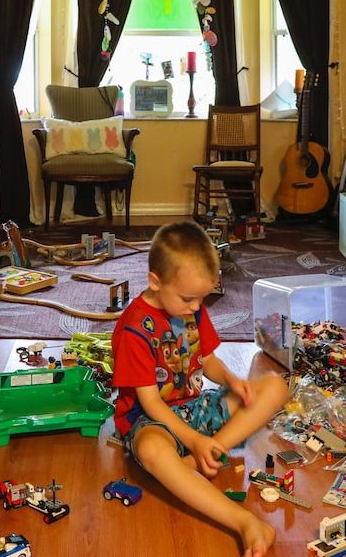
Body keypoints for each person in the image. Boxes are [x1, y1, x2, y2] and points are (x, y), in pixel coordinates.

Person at [111, 221, 289, 557]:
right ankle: (243, 522)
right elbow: (150, 403)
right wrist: (193, 439)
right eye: (189, 299)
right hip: (151, 422)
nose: (195, 308)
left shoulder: (190, 307)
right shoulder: (135, 330)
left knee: (275, 386)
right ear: (155, 281)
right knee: (150, 450)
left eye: (202, 299)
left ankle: (205, 457)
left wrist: (233, 381)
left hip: (195, 409)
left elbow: (207, 360)